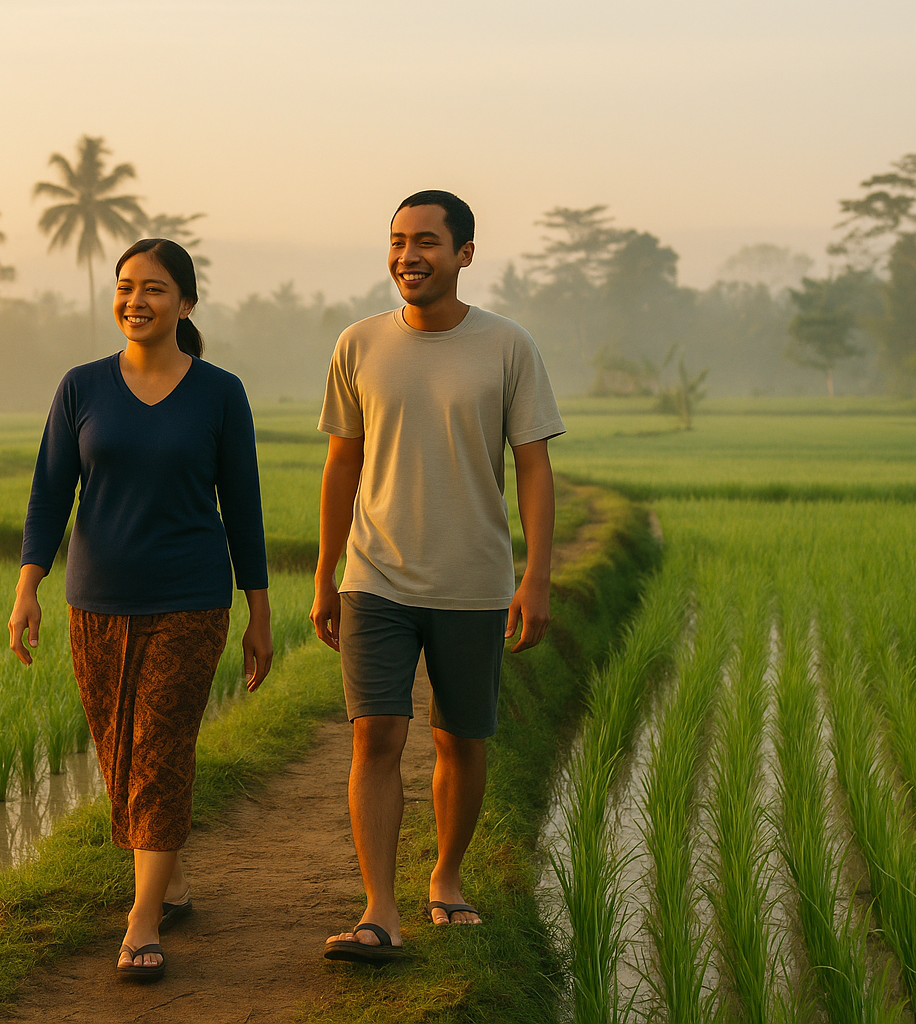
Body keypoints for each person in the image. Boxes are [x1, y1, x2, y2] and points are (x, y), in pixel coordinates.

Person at [9, 237, 274, 982]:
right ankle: (174, 878)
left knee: (159, 750)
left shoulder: (220, 393)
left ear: (185, 303)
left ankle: (142, 920)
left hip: (190, 599)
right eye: (126, 287)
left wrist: (259, 612)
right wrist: (27, 587)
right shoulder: (81, 387)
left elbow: (244, 507)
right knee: (119, 751)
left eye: (154, 288)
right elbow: (50, 492)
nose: (136, 301)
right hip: (95, 601)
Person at [313, 191, 564, 963]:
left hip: (474, 582)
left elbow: (533, 466)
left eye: (426, 240)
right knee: (378, 734)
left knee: (462, 740)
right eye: (397, 240)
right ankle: (379, 909)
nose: (407, 255)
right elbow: (342, 463)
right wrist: (326, 575)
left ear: (464, 254)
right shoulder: (358, 344)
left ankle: (446, 879)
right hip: (376, 577)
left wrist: (537, 578)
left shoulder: (507, 346)